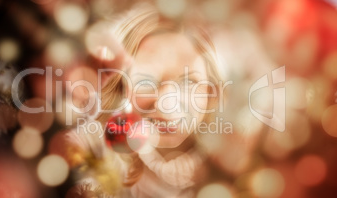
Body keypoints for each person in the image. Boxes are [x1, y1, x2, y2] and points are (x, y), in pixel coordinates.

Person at [64, 5, 223, 198]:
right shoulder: (87, 157)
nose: (166, 102)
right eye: (147, 79)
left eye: (189, 83)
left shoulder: (226, 174)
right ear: (120, 84)